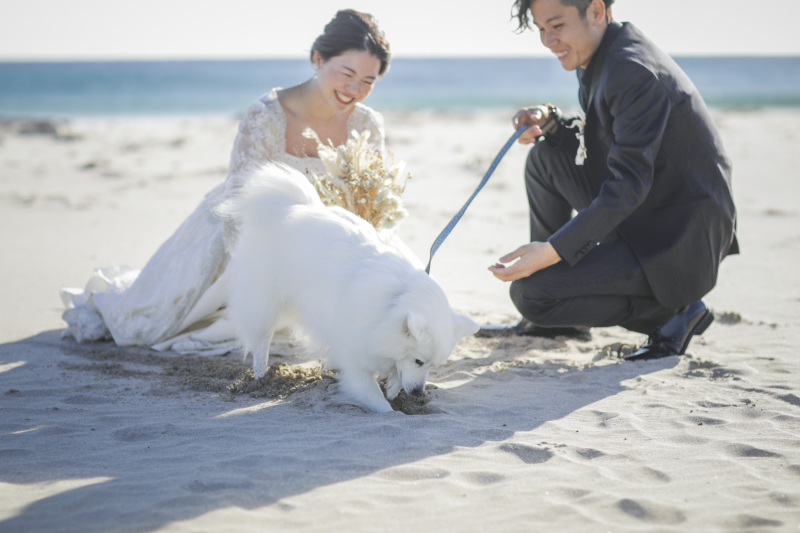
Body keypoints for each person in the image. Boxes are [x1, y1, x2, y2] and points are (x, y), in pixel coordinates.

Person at [61, 9, 392, 355]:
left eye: (368, 81)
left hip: (329, 250)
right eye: (347, 73)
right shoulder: (266, 115)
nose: (355, 89)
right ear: (318, 58)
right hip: (250, 241)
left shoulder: (367, 125)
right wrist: (279, 278)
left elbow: (369, 204)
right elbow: (238, 210)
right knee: (147, 324)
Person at [479, 0, 738, 360]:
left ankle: (675, 314)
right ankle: (560, 315)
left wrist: (553, 251)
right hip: (647, 210)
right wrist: (550, 120)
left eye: (557, 25)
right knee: (546, 156)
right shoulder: (605, 53)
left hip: (676, 238)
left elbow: (628, 185)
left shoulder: (632, 69)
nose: (548, 40)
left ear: (597, 11)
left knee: (531, 296)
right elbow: (604, 138)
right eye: (541, 29)